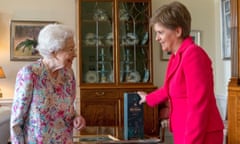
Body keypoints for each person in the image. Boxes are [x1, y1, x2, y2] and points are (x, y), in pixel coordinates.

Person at [137, 1, 224, 144]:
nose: (157, 38)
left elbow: (198, 105)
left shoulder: (194, 55)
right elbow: (169, 88)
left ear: (178, 31)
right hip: (184, 130)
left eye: (160, 32)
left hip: (201, 135)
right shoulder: (176, 57)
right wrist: (149, 98)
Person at [10, 24, 86, 143]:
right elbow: (16, 123)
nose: (75, 54)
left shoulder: (68, 74)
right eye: (70, 49)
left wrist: (76, 117)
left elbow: (69, 107)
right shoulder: (30, 74)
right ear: (54, 51)